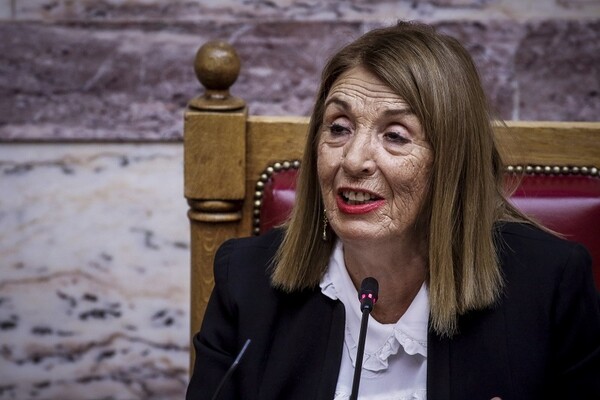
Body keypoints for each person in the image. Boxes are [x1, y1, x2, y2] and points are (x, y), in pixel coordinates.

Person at [186, 21, 600, 400]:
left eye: (396, 136)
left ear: (451, 163)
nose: (353, 160)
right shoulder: (245, 281)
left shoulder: (549, 286)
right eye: (339, 128)